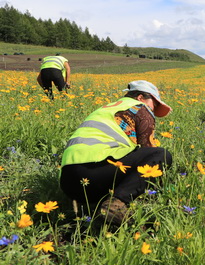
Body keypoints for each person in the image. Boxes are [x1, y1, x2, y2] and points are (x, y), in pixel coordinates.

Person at [59, 80, 173, 225]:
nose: (153, 109)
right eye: (154, 104)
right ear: (140, 98)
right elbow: (149, 150)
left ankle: (97, 209)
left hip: (68, 182)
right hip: (94, 172)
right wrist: (163, 186)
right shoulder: (140, 108)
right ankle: (117, 205)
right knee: (160, 155)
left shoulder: (106, 109)